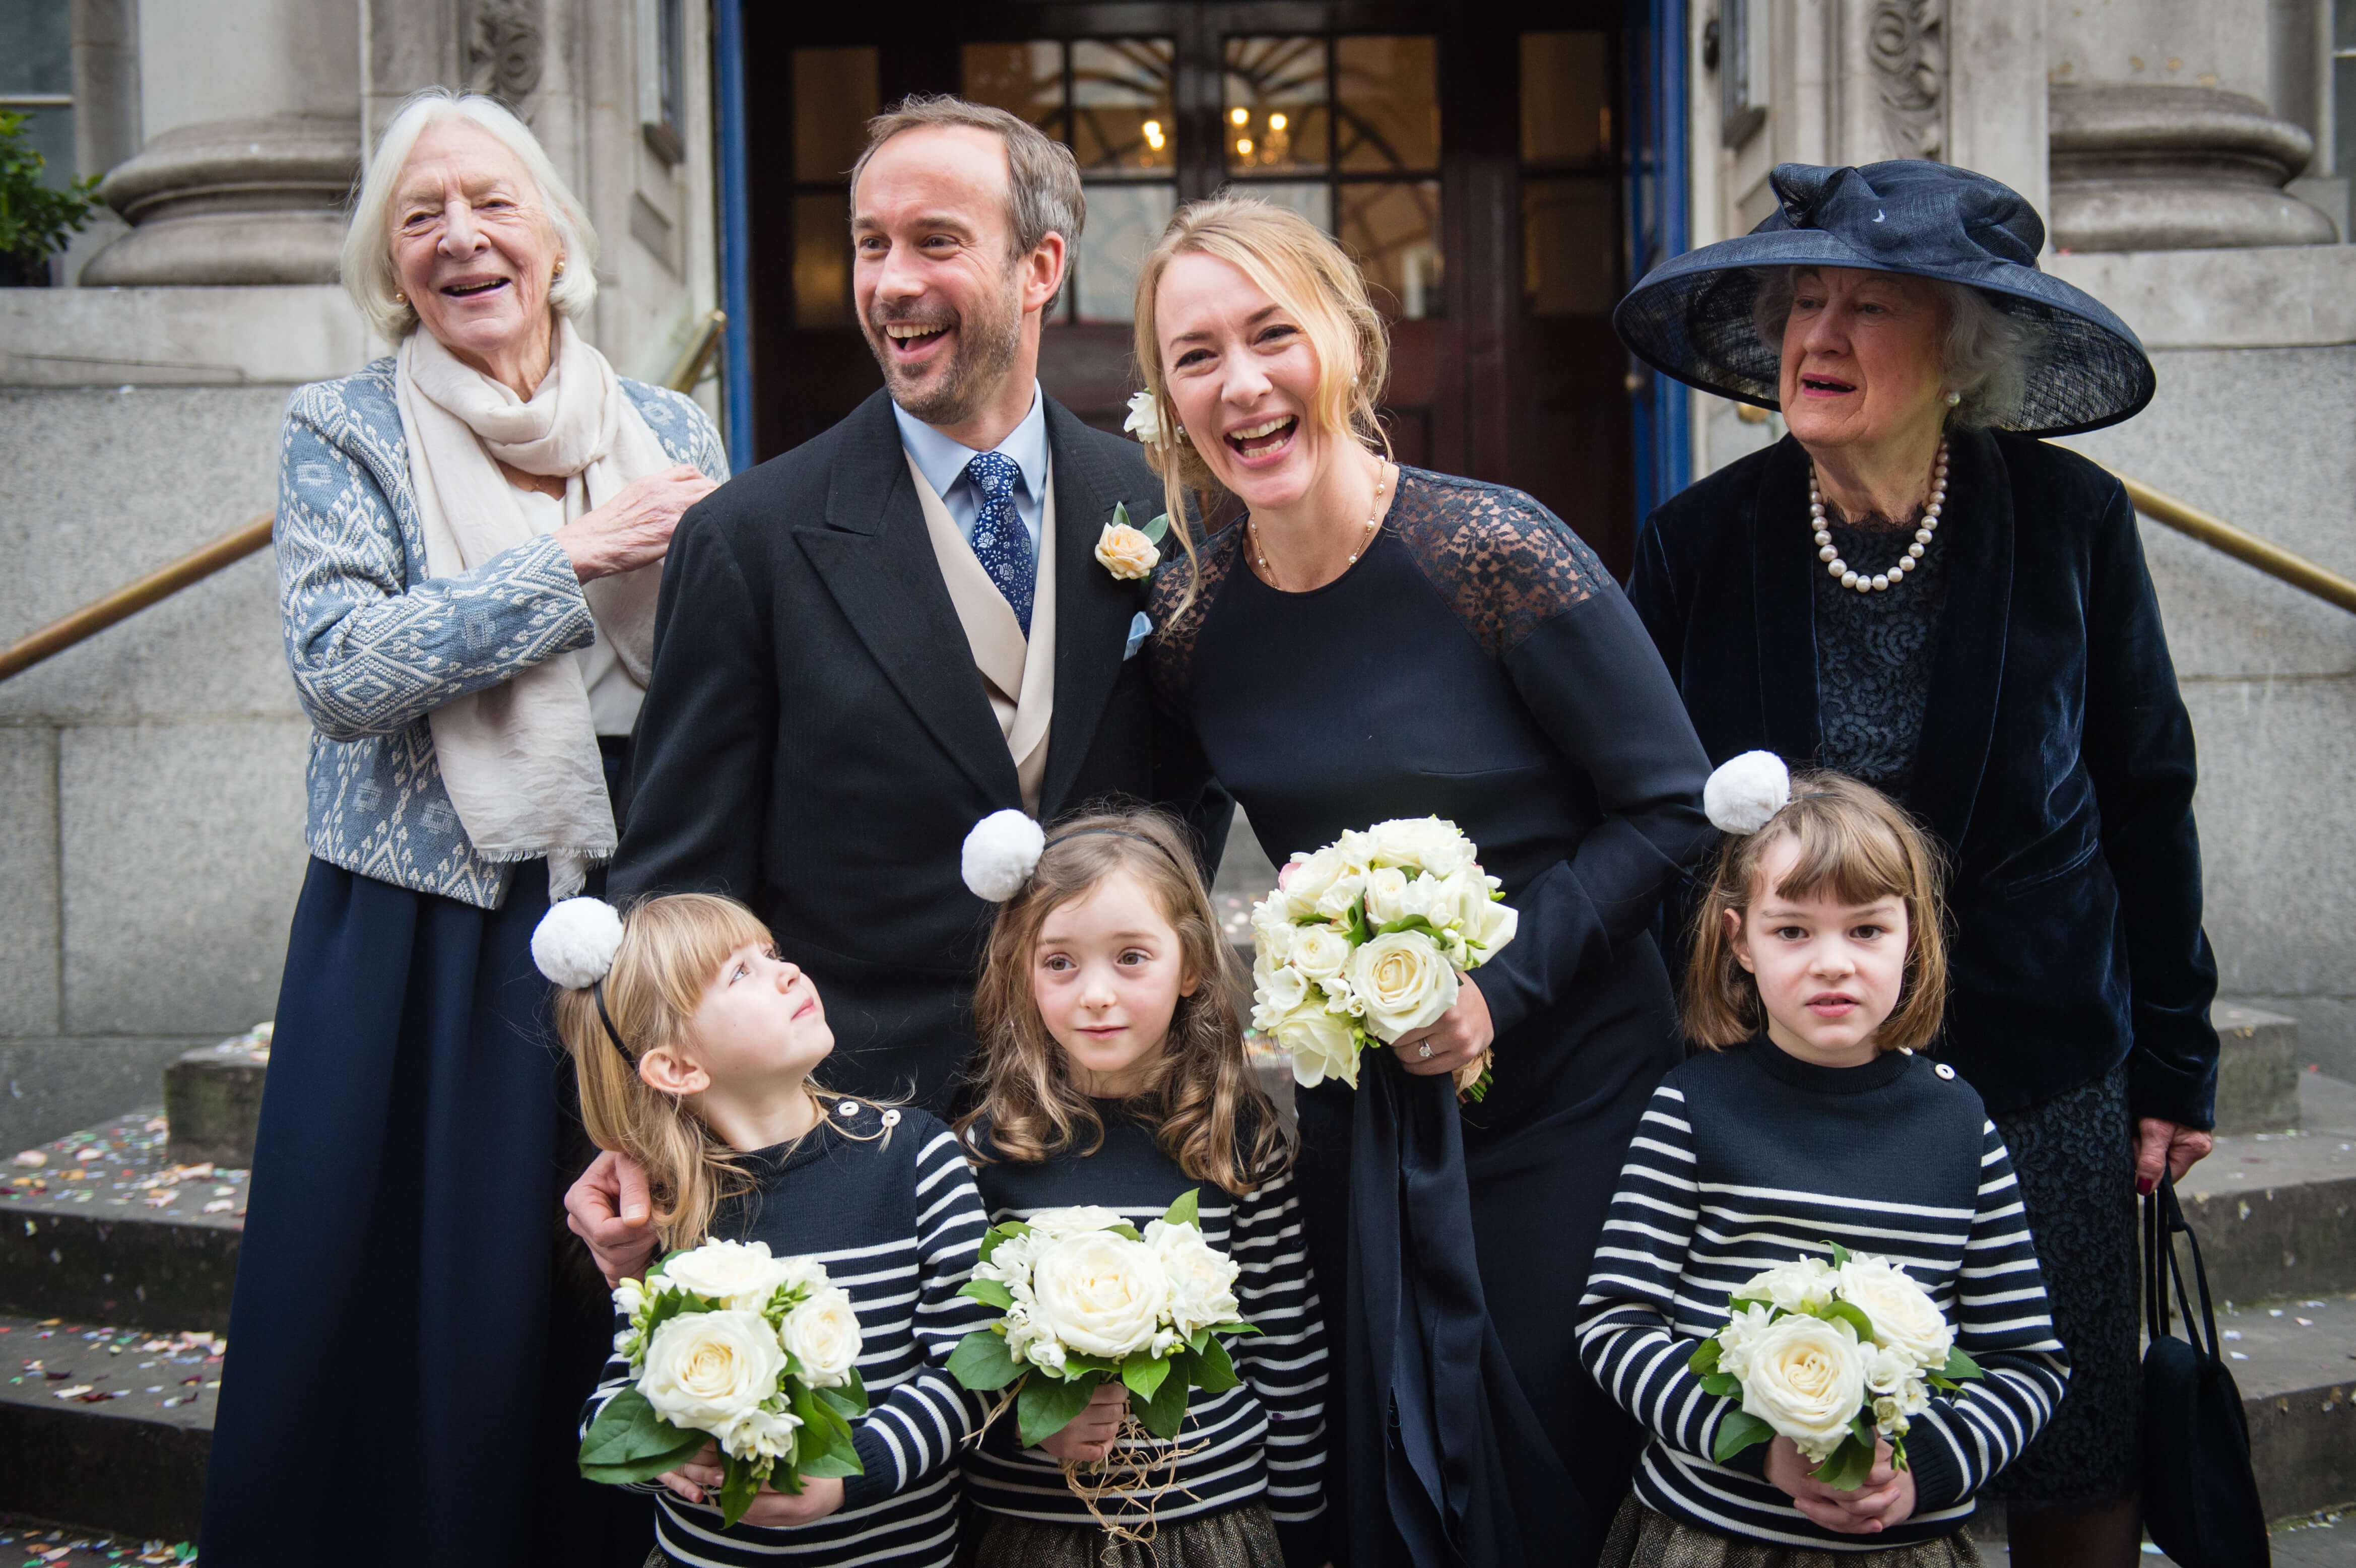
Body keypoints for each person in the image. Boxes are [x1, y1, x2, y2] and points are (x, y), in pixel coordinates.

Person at [1616, 160, 2218, 1568]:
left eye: (1866, 307)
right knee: (1811, 1435)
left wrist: (2173, 1062)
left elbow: (2144, 795)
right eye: (1799, 303)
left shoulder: (2071, 524)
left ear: (1960, 353)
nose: (1814, 340)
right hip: (1784, 1099)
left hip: (2034, 1068)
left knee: (2063, 1432)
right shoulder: (1699, 539)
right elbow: (1647, 817)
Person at [1134, 197, 1716, 1568]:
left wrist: (1496, 993)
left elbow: (1671, 805)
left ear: (1347, 342)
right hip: (1364, 1121)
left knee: (1551, 1463)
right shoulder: (1187, 619)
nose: (1243, 383)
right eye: (1196, 355)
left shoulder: (1492, 555)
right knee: (1386, 1470)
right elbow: (1147, 864)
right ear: (1164, 397)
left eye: (1273, 334)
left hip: (1569, 1096)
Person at [200, 88, 724, 1568]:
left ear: (554, 234)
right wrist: (571, 559)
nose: (460, 237)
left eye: (491, 202)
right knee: (424, 1283)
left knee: (611, 1270)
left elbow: (731, 664)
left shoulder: (670, 423)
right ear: (391, 263)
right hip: (423, 935)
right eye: (420, 215)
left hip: (630, 914)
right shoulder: (343, 426)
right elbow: (341, 672)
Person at [595, 93, 1227, 1130]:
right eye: (870, 244)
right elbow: (675, 885)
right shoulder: (751, 537)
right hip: (850, 1126)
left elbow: (1193, 806)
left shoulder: (1167, 511)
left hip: (1116, 1110)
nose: (893, 283)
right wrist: (643, 1135)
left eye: (936, 241)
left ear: (1041, 268)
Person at [1578, 761, 2068, 1565]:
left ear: (1913, 935)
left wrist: (1924, 1472)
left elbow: (2027, 1363)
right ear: (1739, 941)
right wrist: (1755, 1448)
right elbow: (1616, 1326)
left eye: (1867, 929)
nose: (1833, 962)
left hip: (1901, 1546)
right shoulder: (1691, 1110)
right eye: (1793, 930)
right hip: (1712, 1539)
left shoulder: (1961, 1128)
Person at [539, 892, 993, 1565]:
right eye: (740, 974)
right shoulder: (671, 1211)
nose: (787, 972)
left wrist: (852, 1472)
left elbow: (974, 1367)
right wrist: (663, 1459)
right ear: (679, 1067)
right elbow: (613, 1401)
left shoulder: (917, 1158)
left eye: (772, 953)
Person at [951, 806, 1329, 1568]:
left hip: (1210, 1525)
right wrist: (1031, 1412)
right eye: (1060, 962)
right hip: (1030, 1531)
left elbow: (1287, 1351)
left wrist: (1307, 1530)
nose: (1095, 993)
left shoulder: (1233, 1144)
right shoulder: (987, 1152)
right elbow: (951, 1349)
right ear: (1023, 970)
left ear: (1189, 966)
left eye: (1131, 957)